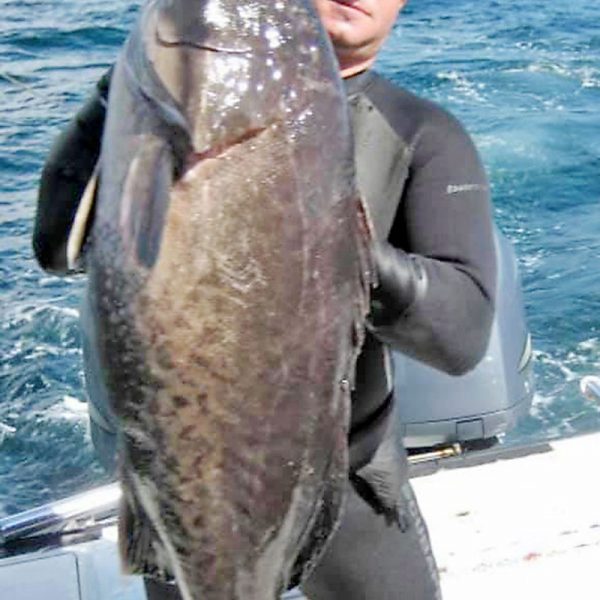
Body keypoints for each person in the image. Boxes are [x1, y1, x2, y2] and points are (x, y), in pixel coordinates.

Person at [33, 0, 496, 598]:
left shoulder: (422, 133)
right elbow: (56, 246)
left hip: (348, 478)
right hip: (181, 475)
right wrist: (121, 98)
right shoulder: (146, 97)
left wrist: (333, 243)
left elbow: (463, 336)